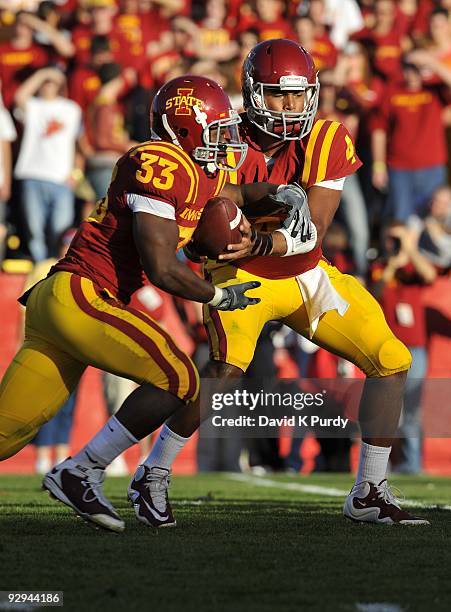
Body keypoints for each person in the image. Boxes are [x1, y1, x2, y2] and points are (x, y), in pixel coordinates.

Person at [144, 40, 429, 527]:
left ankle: (370, 490)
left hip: (306, 275)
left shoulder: (327, 139)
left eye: (300, 96)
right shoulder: (222, 135)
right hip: (241, 275)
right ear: (254, 91)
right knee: (225, 371)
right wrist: (214, 234)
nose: (291, 106)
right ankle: (153, 473)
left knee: (391, 359)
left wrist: (259, 238)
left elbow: (310, 232)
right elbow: (207, 203)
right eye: (279, 95)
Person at [0, 74, 303, 532]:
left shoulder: (203, 173)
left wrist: (280, 192)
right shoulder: (158, 161)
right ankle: (81, 470)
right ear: (186, 128)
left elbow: (235, 195)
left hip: (64, 305)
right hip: (80, 293)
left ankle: (79, 471)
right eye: (218, 127)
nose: (228, 138)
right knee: (179, 376)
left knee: (6, 433)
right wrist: (219, 294)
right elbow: (162, 267)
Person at [13, 66, 82, 262]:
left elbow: (77, 144)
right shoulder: (33, 106)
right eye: (45, 82)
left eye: (52, 82)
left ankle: (55, 265)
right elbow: (20, 96)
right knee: (34, 230)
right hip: (32, 174)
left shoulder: (71, 109)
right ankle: (40, 267)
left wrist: (76, 173)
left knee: (60, 229)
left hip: (61, 178)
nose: (48, 85)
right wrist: (42, 73)